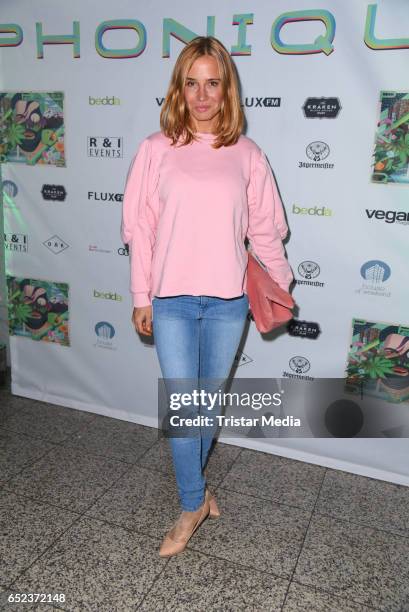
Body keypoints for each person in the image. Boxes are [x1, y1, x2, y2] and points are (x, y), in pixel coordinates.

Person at [120, 36, 293, 558]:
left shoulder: (248, 155)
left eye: (212, 83)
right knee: (183, 407)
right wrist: (140, 295)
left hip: (227, 302)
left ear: (226, 89)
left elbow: (265, 232)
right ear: (179, 87)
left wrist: (280, 287)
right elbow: (139, 229)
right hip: (170, 299)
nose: (201, 95)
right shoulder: (155, 150)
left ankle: (197, 494)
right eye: (191, 83)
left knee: (204, 409)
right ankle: (192, 503)